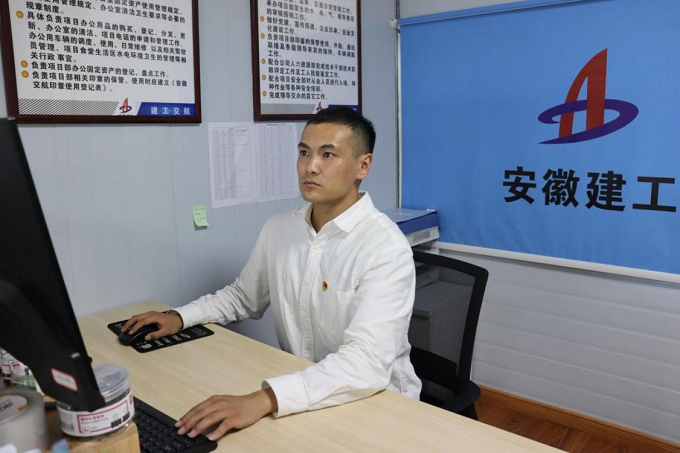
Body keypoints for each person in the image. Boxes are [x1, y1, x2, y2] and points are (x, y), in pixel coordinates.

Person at [122, 106, 421, 441]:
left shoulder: (385, 247)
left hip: (379, 406)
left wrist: (265, 399)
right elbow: (243, 297)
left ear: (363, 165)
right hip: (301, 394)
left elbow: (366, 363)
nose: (310, 166)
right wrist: (180, 317)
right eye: (304, 152)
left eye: (328, 154)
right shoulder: (280, 228)